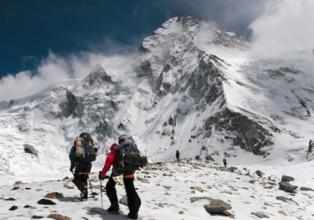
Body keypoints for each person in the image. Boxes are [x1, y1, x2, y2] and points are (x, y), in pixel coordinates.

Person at [99, 135, 142, 219]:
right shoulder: (133, 146)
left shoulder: (116, 148)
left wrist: (103, 174)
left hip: (118, 173)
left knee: (109, 187)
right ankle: (134, 211)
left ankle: (114, 206)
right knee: (130, 189)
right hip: (130, 171)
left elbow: (109, 162)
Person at [69, 133, 96, 200]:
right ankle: (84, 195)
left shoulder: (77, 146)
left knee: (76, 179)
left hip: (80, 164)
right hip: (88, 165)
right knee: (84, 179)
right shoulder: (90, 145)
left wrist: (72, 166)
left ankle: (83, 190)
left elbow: (72, 156)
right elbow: (94, 156)